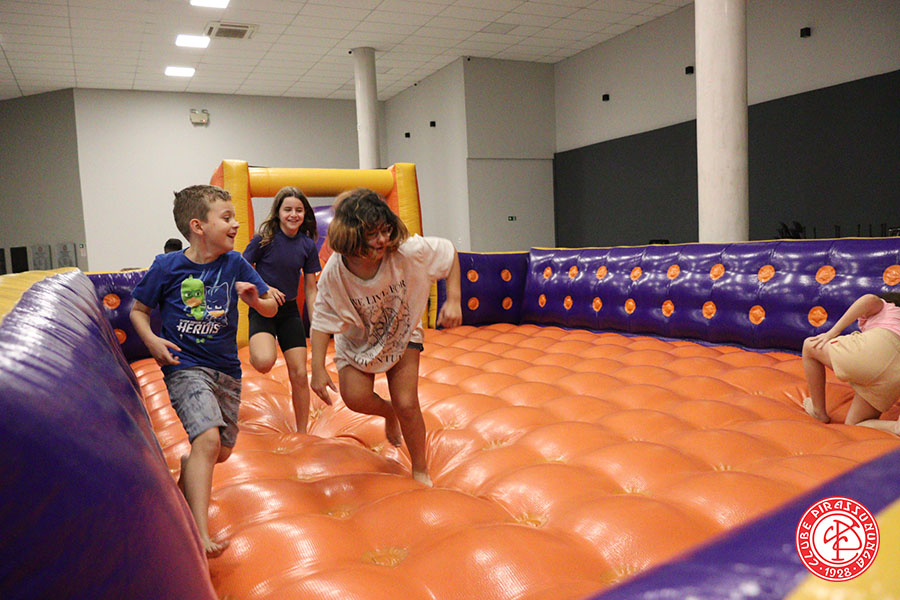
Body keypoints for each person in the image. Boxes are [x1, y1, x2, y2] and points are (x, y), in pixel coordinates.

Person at [130, 184, 278, 557]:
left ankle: (189, 467)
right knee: (208, 440)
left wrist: (255, 301)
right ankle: (197, 535)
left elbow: (270, 308)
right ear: (198, 226)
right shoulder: (167, 266)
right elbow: (138, 311)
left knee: (220, 451)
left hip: (226, 368)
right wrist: (152, 341)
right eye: (226, 218)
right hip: (185, 366)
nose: (236, 224)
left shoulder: (235, 263)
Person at [309, 188, 462, 486]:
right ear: (352, 238)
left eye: (385, 231)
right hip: (358, 340)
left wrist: (454, 299)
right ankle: (388, 413)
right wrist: (317, 369)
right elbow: (322, 321)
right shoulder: (335, 274)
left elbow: (449, 252)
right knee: (355, 398)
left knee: (407, 402)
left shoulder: (407, 251)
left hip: (402, 330)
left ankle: (420, 468)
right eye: (372, 235)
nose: (382, 240)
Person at [242, 186, 321, 433]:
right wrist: (264, 288)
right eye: (288, 209)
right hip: (263, 307)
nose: (293, 215)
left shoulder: (307, 245)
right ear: (278, 212)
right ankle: (257, 353)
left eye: (299, 210)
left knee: (300, 373)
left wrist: (316, 323)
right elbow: (241, 268)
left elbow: (311, 288)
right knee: (264, 362)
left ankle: (302, 432)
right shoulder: (263, 239)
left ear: (305, 214)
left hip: (288, 312)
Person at [802, 292, 900, 434]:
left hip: (878, 347)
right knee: (856, 423)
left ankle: (818, 411)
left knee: (809, 346)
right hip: (894, 379)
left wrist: (832, 332)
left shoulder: (888, 307)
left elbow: (869, 299)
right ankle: (896, 427)